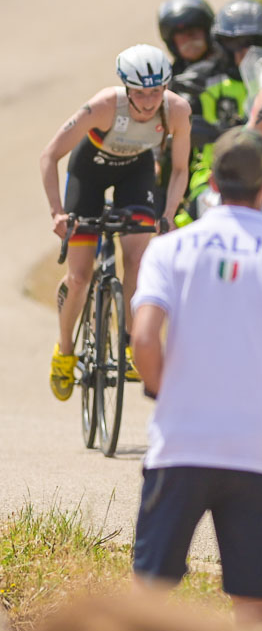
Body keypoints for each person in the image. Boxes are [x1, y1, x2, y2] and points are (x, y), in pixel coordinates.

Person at [129, 128, 262, 627]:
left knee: (147, 597)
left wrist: (162, 389)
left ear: (213, 183)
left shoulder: (169, 249)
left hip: (181, 444)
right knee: (255, 606)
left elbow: (145, 340)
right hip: (259, 453)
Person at [40, 45, 191, 400]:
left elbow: (181, 169)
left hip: (134, 174)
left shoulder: (177, 110)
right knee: (79, 276)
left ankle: (126, 342)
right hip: (88, 174)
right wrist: (57, 212)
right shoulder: (105, 105)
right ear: (126, 87)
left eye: (158, 90)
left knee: (139, 258)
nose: (151, 100)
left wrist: (167, 215)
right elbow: (49, 156)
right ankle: (64, 350)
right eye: (142, 92)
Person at [174, 0, 262, 220]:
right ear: (220, 43)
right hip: (215, 175)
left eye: (253, 41)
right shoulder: (200, 80)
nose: (244, 51)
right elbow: (178, 121)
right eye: (234, 43)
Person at [157, 0, 215, 77]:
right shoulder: (170, 82)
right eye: (180, 34)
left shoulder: (232, 65)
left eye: (194, 30)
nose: (189, 38)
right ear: (172, 43)